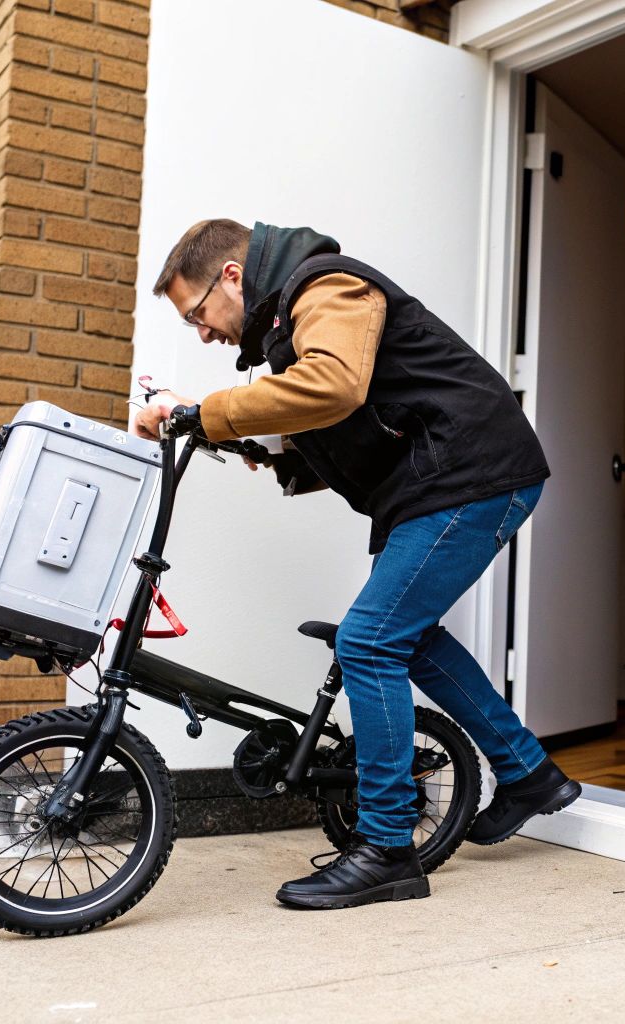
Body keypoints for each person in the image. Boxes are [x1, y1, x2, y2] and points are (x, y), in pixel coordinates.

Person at [133, 219, 581, 910]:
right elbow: (354, 418)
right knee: (405, 637)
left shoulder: (326, 285)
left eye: (198, 315)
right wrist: (272, 452)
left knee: (371, 640)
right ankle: (529, 774)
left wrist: (203, 412)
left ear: (230, 276)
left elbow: (335, 386)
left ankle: (388, 849)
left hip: (470, 474)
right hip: (436, 484)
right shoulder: (288, 322)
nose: (203, 333)